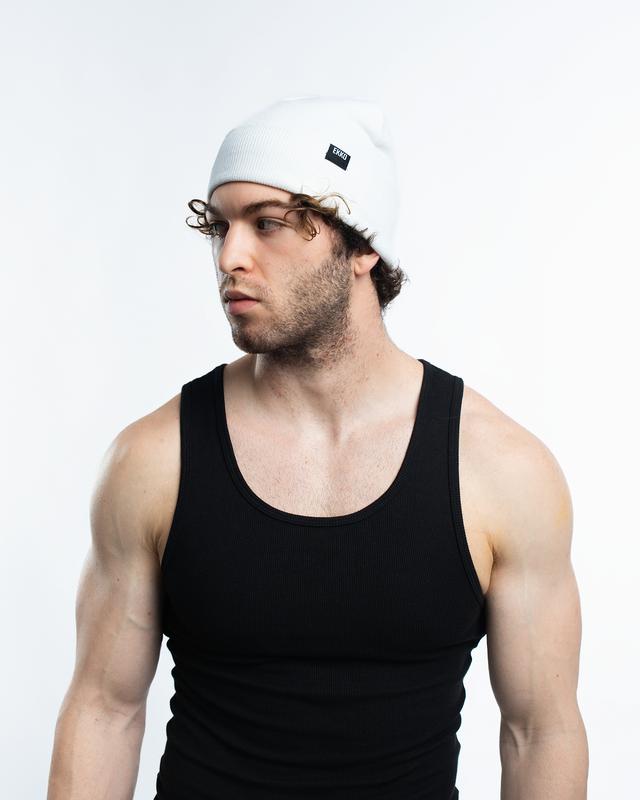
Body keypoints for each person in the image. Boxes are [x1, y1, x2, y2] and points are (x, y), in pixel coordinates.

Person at [47, 96, 588, 799]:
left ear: (363, 247)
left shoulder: (500, 470)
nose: (230, 257)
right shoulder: (153, 460)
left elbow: (539, 731)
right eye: (220, 227)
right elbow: (104, 710)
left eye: (267, 224)